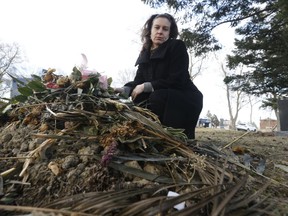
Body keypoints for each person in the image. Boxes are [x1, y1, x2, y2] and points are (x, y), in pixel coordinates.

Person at [116, 13, 203, 139]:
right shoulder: (145, 53)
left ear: (169, 33)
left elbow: (177, 79)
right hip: (161, 95)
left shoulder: (176, 47)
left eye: (165, 29)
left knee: (157, 96)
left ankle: (170, 137)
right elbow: (139, 81)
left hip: (185, 97)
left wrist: (146, 86)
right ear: (150, 30)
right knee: (139, 97)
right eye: (157, 27)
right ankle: (148, 135)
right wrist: (125, 89)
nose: (160, 32)